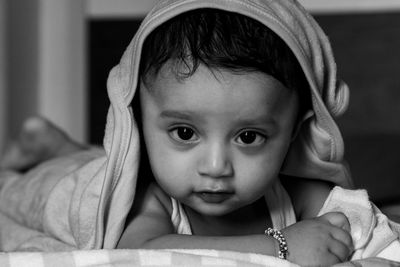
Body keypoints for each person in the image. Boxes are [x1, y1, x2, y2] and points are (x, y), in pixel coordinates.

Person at [1, 0, 399, 266]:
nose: (215, 167)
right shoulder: (152, 198)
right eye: (185, 132)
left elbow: (357, 226)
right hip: (71, 181)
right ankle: (53, 149)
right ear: (138, 121)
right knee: (24, 187)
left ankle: (56, 144)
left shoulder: (296, 192)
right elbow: (140, 252)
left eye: (248, 137)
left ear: (293, 133)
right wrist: (282, 246)